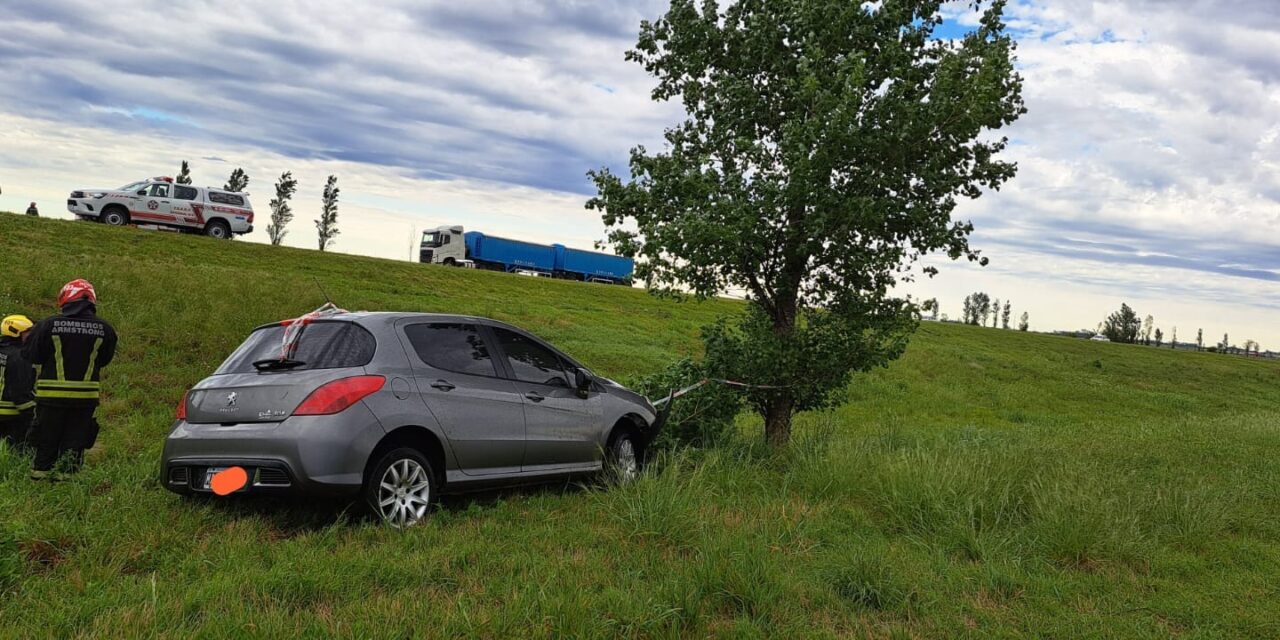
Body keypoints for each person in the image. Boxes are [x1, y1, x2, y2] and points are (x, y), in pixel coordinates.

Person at [26, 280, 117, 479]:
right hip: (85, 398)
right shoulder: (105, 329)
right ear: (91, 300)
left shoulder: (49, 324)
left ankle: (40, 476)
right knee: (76, 440)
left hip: (51, 395)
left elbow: (33, 355)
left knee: (46, 437)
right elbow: (105, 359)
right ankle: (69, 477)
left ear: (65, 298)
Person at [0, 315, 36, 452]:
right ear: (17, 334)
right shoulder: (21, 357)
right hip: (12, 416)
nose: (31, 337)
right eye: (28, 333)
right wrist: (32, 413)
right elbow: (20, 391)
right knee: (17, 452)